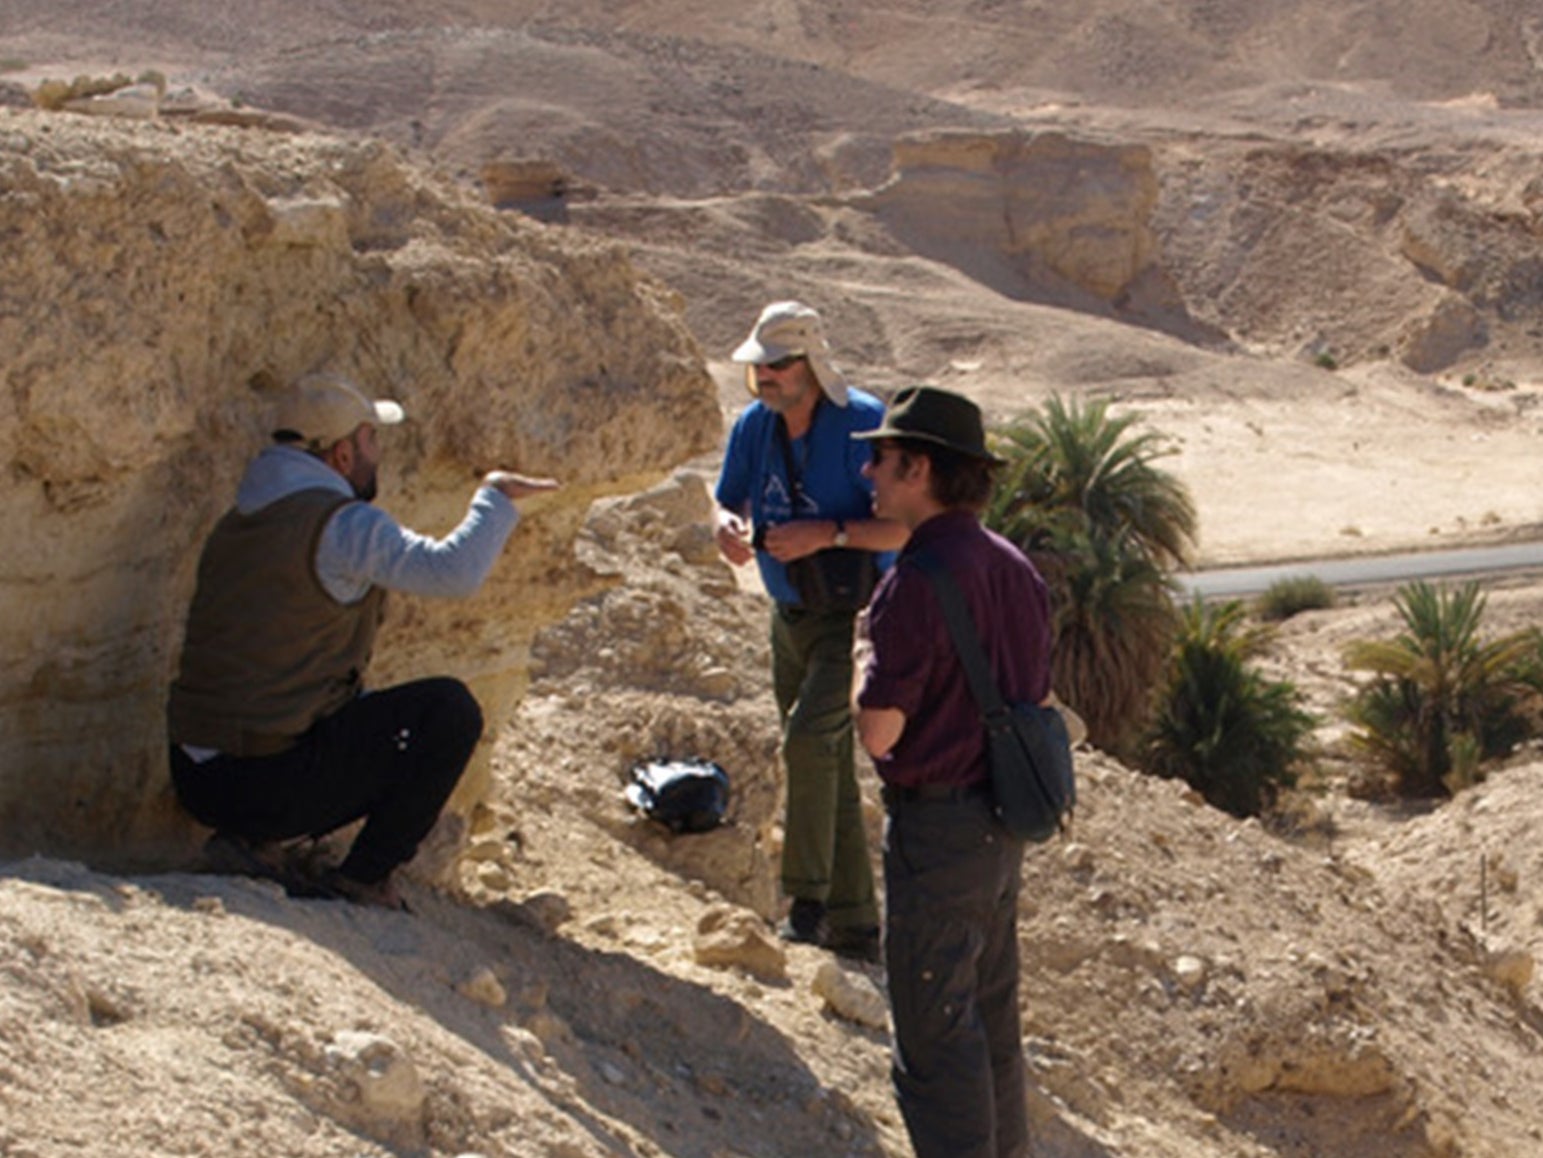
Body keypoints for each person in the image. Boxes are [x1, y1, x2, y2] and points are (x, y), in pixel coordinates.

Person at [167, 372, 559, 909]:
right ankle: (365, 877)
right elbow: (453, 573)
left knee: (340, 709)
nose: (379, 453)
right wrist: (495, 499)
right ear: (343, 454)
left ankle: (252, 844)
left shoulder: (240, 520)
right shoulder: (339, 526)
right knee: (445, 713)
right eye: (372, 440)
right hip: (260, 785)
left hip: (195, 775)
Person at [853, 386, 1054, 1158]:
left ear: (919, 468)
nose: (869, 472)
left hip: (936, 830)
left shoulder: (913, 582)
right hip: (999, 826)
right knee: (990, 1021)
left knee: (935, 1043)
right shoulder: (1014, 568)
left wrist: (857, 663)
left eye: (881, 459)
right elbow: (1032, 696)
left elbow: (878, 733)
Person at [713, 301, 908, 960]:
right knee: (826, 762)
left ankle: (806, 903)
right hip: (786, 614)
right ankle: (857, 926)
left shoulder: (863, 423)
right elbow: (727, 497)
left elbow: (908, 525)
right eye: (758, 367)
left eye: (778, 364)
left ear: (811, 363)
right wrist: (725, 527)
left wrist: (831, 533)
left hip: (854, 621)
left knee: (806, 742)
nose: (765, 377)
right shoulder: (751, 428)